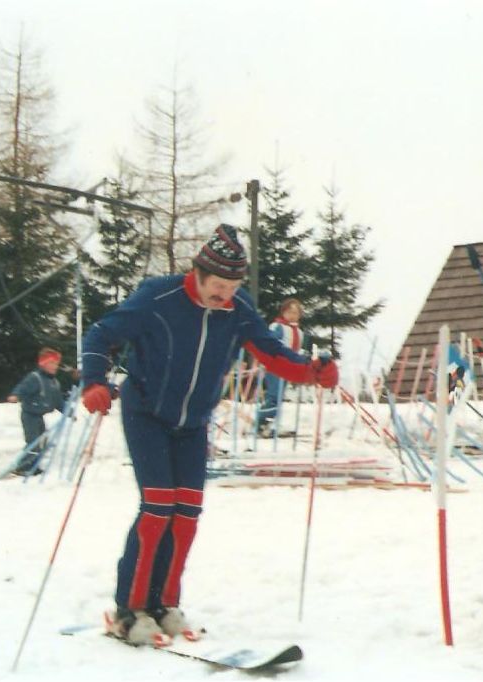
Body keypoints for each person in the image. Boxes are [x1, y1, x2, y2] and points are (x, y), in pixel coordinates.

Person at [79, 224, 338, 645]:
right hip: (147, 412)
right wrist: (93, 380)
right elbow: (100, 334)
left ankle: (164, 604)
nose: (225, 295)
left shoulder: (238, 308)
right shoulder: (158, 296)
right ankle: (130, 609)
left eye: (232, 287)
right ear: (197, 273)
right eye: (218, 285)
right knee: (157, 508)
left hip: (194, 422)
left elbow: (271, 353)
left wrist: (311, 372)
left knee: (186, 514)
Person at [6, 348, 65, 474]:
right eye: (51, 363)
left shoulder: (54, 382)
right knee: (33, 442)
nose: (55, 366)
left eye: (56, 364)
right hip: (29, 415)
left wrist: (67, 412)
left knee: (42, 441)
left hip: (39, 416)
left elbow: (58, 401)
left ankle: (34, 465)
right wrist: (16, 395)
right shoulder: (35, 378)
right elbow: (23, 387)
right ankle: (23, 466)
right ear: (43, 364)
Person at [255, 297, 307, 437]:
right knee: (274, 395)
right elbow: (270, 343)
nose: (292, 315)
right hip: (275, 365)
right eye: (289, 312)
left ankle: (270, 424)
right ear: (283, 312)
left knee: (278, 397)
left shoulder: (299, 332)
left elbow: (297, 349)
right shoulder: (278, 326)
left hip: (288, 367)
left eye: (295, 313)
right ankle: (261, 423)